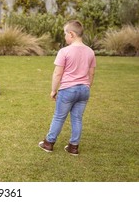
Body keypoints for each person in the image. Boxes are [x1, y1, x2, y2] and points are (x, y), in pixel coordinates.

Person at [38, 20, 96, 155]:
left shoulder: (64, 51)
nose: (64, 37)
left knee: (59, 117)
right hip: (84, 90)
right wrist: (87, 86)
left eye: (65, 34)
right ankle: (73, 147)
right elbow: (91, 72)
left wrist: (53, 90)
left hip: (68, 90)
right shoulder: (90, 52)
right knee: (77, 118)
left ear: (71, 34)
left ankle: (48, 143)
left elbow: (58, 73)